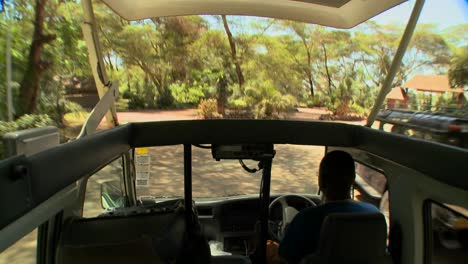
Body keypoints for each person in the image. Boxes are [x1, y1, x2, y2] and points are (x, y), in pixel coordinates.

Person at [277, 150, 380, 264]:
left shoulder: (307, 218)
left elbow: (285, 257)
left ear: (320, 181)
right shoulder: (373, 214)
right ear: (353, 178)